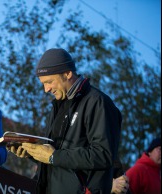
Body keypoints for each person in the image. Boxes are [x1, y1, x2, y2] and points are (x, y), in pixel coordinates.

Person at [8, 48, 122, 193]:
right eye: (43, 83)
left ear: (67, 74)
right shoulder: (57, 105)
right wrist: (34, 153)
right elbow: (57, 157)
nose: (46, 89)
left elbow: (103, 155)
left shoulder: (98, 102)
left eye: (49, 82)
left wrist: (53, 156)